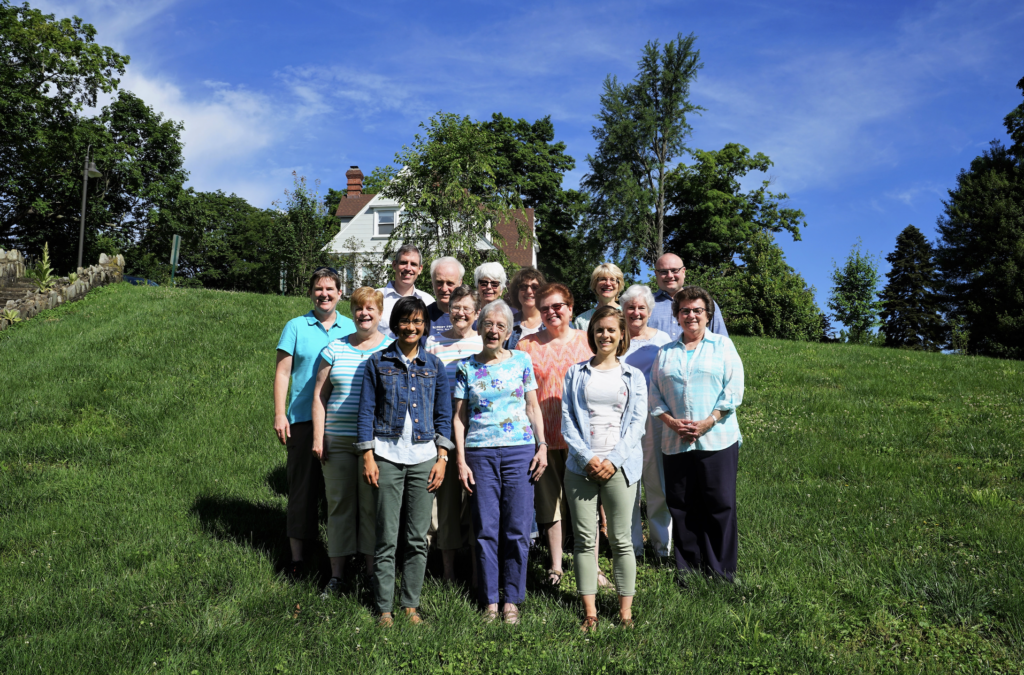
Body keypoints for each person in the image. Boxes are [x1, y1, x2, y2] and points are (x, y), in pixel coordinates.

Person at [356, 296, 453, 626]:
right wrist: (368, 455)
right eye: (405, 321)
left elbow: (443, 416)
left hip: (424, 458)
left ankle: (410, 605)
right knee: (386, 536)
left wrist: (442, 458)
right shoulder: (377, 363)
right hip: (386, 457)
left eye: (418, 322)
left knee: (416, 537)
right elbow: (366, 411)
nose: (411, 327)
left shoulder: (434, 366)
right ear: (395, 324)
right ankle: (384, 607)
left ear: (425, 326)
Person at [453, 299, 547, 624]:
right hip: (479, 453)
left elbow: (533, 407)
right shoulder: (466, 366)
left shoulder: (522, 360)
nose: (493, 330)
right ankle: (491, 601)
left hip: (520, 451)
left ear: (508, 332)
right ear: (479, 328)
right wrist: (461, 461)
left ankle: (513, 600)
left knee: (518, 528)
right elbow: (459, 418)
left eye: (500, 326)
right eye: (488, 324)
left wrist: (543, 445)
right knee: (485, 529)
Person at [650, 286, 744, 582]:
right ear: (676, 316)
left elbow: (733, 389)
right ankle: (688, 571)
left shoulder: (723, 346)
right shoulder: (665, 352)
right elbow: (654, 394)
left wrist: (708, 421)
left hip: (717, 438)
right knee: (682, 506)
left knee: (719, 504)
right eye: (685, 311)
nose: (691, 315)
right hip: (675, 440)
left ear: (708, 315)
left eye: (697, 310)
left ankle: (722, 572)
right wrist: (672, 422)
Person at [562, 306, 647, 631]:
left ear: (622, 334)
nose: (605, 335)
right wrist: (587, 458)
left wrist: (612, 461)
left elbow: (637, 424)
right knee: (584, 541)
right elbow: (568, 420)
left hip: (620, 468)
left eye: (611, 330)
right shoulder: (576, 373)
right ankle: (591, 613)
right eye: (600, 330)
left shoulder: (633, 376)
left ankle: (625, 614)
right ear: (592, 333)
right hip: (580, 467)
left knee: (621, 540)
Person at [273, 267, 356, 577]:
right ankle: (297, 559)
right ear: (311, 293)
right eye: (319, 289)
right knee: (302, 489)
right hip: (303, 420)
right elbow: (283, 372)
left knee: (342, 492)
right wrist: (280, 413)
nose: (324, 294)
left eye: (330, 289)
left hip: (341, 419)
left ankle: (345, 555)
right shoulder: (296, 326)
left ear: (340, 293)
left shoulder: (350, 326)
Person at [311, 287, 392, 595]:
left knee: (372, 507)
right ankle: (337, 575)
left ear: (380, 313)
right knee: (339, 506)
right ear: (353, 312)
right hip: (338, 441)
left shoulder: (389, 350)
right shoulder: (335, 349)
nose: (364, 313)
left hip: (376, 445)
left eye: (370, 308)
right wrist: (319, 436)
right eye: (359, 308)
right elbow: (320, 395)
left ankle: (371, 575)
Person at [515, 282, 596, 588]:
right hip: (542, 439)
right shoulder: (526, 346)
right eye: (545, 307)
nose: (551, 312)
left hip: (582, 438)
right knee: (550, 504)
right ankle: (556, 565)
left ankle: (590, 565)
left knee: (584, 503)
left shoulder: (587, 342)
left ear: (570, 308)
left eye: (557, 306)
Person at [424, 285, 483, 582]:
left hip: (479, 435)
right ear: (449, 310)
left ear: (477, 312)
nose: (461, 313)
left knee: (476, 502)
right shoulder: (433, 343)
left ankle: (475, 570)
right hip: (443, 433)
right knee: (446, 503)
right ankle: (447, 572)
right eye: (456, 307)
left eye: (467, 308)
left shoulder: (485, 343)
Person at [619, 284, 673, 559]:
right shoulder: (615, 338)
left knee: (656, 482)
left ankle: (661, 547)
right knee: (627, 483)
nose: (636, 312)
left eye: (641, 308)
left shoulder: (662, 339)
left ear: (650, 311)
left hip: (655, 419)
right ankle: (632, 548)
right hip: (622, 419)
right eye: (631, 307)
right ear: (623, 310)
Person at [648, 253, 727, 340]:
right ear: (656, 274)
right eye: (663, 271)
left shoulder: (705, 302)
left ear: (683, 272)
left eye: (674, 270)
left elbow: (722, 342)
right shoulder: (645, 305)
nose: (670, 275)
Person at [377, 243, 434, 336]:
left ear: (420, 269)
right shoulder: (376, 297)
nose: (408, 268)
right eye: (403, 263)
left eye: (413, 264)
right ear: (394, 265)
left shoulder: (428, 301)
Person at [572, 263, 625, 331]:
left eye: (612, 280)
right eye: (603, 279)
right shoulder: (581, 320)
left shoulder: (628, 315)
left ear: (619, 285)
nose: (608, 283)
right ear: (595, 284)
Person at [505, 266, 546, 350]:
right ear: (517, 291)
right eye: (523, 286)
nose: (529, 291)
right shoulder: (507, 324)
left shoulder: (554, 322)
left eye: (535, 287)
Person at [426, 256, 464, 336]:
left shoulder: (471, 316)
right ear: (432, 282)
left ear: (460, 282)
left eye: (450, 283)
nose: (444, 289)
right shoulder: (423, 316)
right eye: (439, 282)